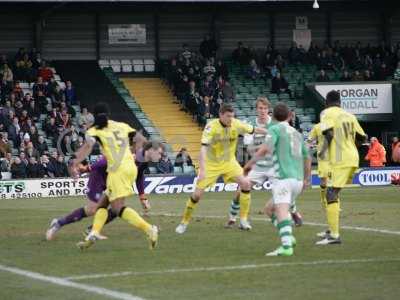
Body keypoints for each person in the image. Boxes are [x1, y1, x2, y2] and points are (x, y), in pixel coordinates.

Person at [71, 103, 158, 250]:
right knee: (103, 203)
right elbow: (142, 140)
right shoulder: (122, 125)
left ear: (93, 115)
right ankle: (93, 233)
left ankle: (149, 229)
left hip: (117, 170)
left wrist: (73, 162)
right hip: (130, 167)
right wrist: (133, 152)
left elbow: (87, 148)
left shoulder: (93, 130)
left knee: (118, 208)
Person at [175, 103, 267, 234]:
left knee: (246, 184)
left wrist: (270, 132)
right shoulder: (211, 127)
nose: (231, 119)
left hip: (229, 163)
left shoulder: (236, 123)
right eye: (228, 116)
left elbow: (254, 129)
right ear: (221, 115)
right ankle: (184, 222)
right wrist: (202, 170)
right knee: (196, 195)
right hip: (211, 165)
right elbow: (203, 149)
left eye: (232, 116)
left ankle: (243, 220)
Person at [46, 141, 163, 241]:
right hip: (99, 176)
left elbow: (139, 176)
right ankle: (58, 223)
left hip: (114, 180)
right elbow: (106, 160)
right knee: (92, 209)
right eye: (160, 153)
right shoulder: (134, 153)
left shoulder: (144, 160)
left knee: (117, 208)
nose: (161, 156)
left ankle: (92, 230)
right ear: (151, 150)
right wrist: (87, 169)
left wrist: (143, 197)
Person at [225, 97, 304, 229]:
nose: (263, 111)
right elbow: (249, 147)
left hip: (274, 166)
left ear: (269, 110)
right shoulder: (250, 124)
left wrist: (264, 148)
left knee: (283, 191)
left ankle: (295, 212)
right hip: (258, 166)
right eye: (260, 108)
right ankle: (232, 217)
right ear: (256, 109)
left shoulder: (275, 124)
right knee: (241, 190)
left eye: (265, 108)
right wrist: (263, 148)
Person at [244, 102, 311, 256]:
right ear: (289, 116)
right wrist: (307, 178)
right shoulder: (297, 133)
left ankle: (287, 246)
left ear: (273, 116)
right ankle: (288, 236)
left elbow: (266, 148)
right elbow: (307, 157)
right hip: (298, 180)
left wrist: (249, 164)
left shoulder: (274, 129)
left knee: (281, 211)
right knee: (269, 209)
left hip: (283, 178)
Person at [317, 90, 366, 245]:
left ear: (326, 102)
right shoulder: (350, 115)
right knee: (334, 193)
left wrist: (325, 152)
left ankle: (334, 235)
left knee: (330, 194)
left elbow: (328, 134)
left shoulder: (326, 113)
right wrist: (349, 145)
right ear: (340, 102)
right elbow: (362, 137)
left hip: (340, 158)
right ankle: (332, 229)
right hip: (353, 157)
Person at [308, 122, 331, 235]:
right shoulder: (317, 127)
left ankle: (332, 202)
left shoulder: (334, 125)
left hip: (335, 157)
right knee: (324, 180)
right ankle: (324, 200)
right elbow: (309, 139)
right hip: (323, 158)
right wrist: (307, 144)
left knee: (333, 182)